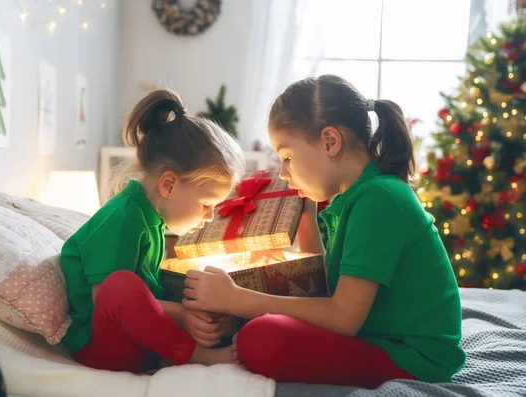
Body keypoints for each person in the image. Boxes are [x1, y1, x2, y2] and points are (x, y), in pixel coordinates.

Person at [183, 75, 465, 388]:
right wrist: (305, 217)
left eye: (287, 157)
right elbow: (324, 284)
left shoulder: (379, 199)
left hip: (411, 357)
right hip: (378, 337)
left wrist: (237, 299)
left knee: (260, 338)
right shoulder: (353, 197)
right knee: (264, 324)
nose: (284, 173)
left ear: (330, 141)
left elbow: (343, 317)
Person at [60, 88, 245, 373]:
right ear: (168, 184)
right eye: (207, 203)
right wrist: (181, 315)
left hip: (140, 338)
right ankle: (195, 355)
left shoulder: (151, 218)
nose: (210, 216)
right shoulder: (123, 218)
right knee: (121, 286)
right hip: (101, 348)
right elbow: (108, 299)